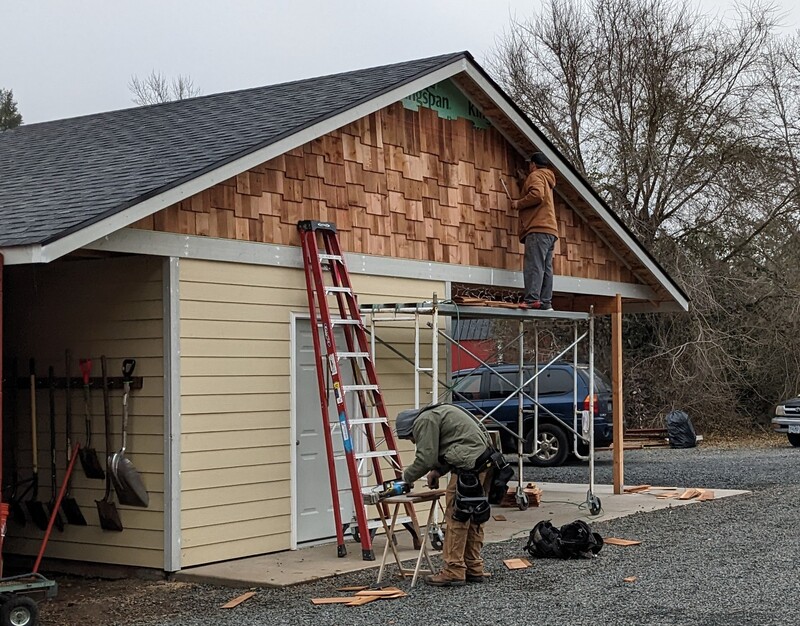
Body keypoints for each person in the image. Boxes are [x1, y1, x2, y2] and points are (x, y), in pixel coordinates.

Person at [395, 403, 497, 587]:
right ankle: (474, 568)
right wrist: (437, 472)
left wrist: (406, 478)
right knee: (475, 516)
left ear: (411, 427)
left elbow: (426, 457)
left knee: (457, 517)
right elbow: (454, 445)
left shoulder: (424, 420)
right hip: (484, 463)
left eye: (410, 437)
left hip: (468, 468)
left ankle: (453, 570)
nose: (412, 441)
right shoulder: (438, 414)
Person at [511, 151, 558, 310]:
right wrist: (523, 182)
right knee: (546, 267)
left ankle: (532, 300)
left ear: (533, 164)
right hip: (550, 230)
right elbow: (539, 192)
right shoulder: (546, 177)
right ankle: (545, 302)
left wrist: (518, 204)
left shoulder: (536, 176)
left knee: (534, 265)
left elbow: (537, 195)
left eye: (529, 164)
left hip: (538, 228)